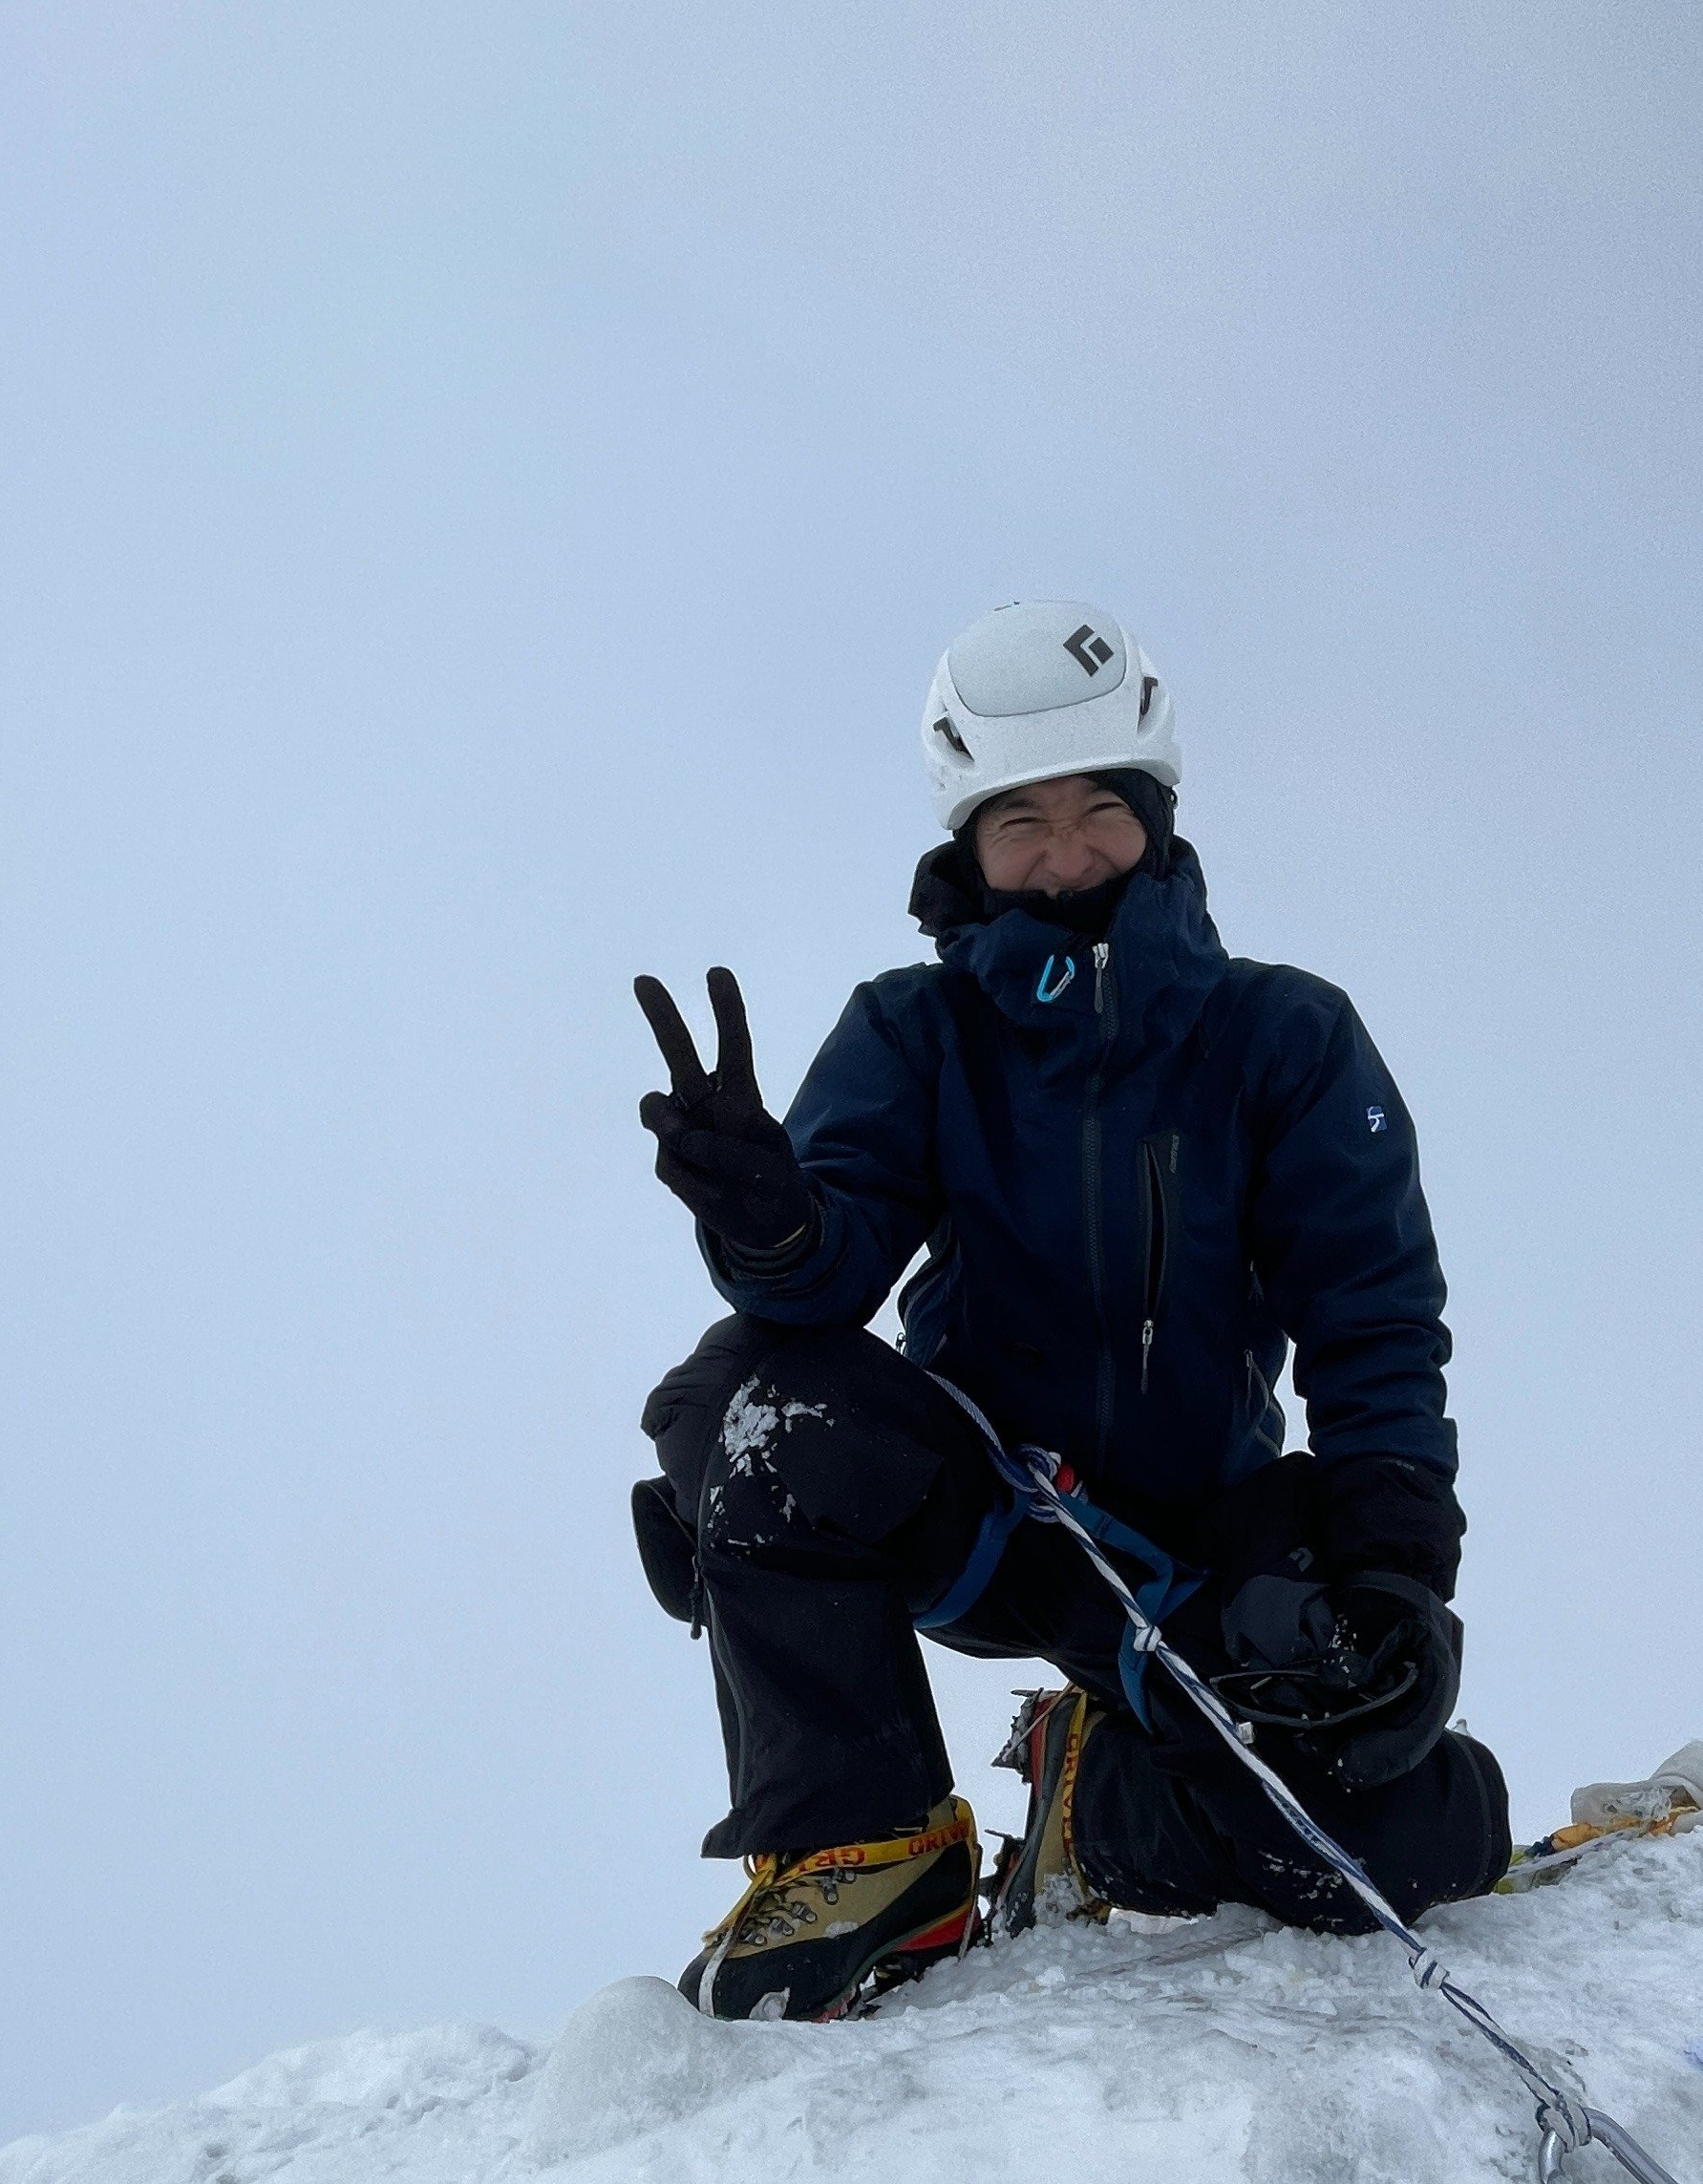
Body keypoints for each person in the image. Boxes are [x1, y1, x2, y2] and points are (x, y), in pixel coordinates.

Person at [630, 602, 1513, 2018]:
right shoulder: (914, 1034)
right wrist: (773, 1221)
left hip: (1193, 1552)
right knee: (747, 1403)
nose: (1066, 853)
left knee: (1394, 1842)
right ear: (968, 844)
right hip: (987, 1505)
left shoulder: (1282, 1037)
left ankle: (1096, 1784)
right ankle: (873, 1847)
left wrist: (1397, 1565)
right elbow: (824, 1279)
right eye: (1020, 820)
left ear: (1156, 815)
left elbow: (1374, 1324)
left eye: (1102, 808)